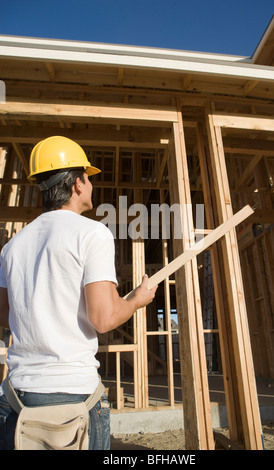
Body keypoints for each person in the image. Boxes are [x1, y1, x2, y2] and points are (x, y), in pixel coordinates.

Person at [0, 136, 158, 450]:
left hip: (15, 400)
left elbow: (5, 315)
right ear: (76, 184)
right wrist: (137, 300)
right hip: (73, 400)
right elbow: (103, 318)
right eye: (88, 177)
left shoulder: (13, 246)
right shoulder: (92, 233)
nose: (91, 184)